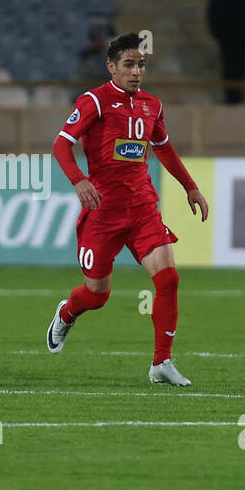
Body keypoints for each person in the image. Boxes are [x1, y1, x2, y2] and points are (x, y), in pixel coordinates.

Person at [47, 32, 210, 387]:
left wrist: (191, 186)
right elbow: (61, 144)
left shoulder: (152, 105)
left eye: (141, 65)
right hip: (103, 211)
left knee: (168, 278)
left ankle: (161, 362)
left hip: (142, 208)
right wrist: (79, 180)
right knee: (97, 295)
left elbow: (163, 148)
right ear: (111, 67)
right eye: (129, 65)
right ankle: (67, 312)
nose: (137, 72)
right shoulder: (94, 101)